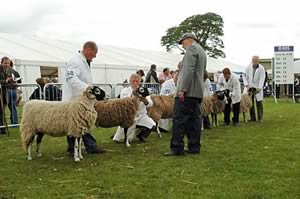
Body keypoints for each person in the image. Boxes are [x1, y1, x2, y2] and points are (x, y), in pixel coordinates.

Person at [164, 33, 206, 156]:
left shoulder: (191, 49)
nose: (182, 46)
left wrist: (182, 89)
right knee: (194, 121)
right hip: (197, 92)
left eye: (182, 42)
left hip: (187, 92)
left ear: (188, 40)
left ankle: (177, 147)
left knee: (179, 120)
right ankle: (194, 147)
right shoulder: (201, 51)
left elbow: (188, 71)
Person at [62, 41, 105, 156]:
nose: (95, 56)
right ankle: (73, 149)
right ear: (88, 49)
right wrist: (87, 88)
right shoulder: (75, 61)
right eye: (94, 53)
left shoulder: (84, 62)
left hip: (82, 100)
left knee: (83, 123)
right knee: (74, 123)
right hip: (73, 99)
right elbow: (71, 79)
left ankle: (90, 146)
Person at [113, 74, 155, 143]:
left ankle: (141, 136)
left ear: (139, 82)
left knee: (152, 124)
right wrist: (132, 96)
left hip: (141, 116)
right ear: (130, 81)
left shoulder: (143, 90)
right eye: (133, 81)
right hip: (129, 116)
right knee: (119, 140)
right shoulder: (125, 91)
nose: (135, 82)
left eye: (137, 81)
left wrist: (144, 100)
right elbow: (122, 102)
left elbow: (150, 104)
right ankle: (121, 135)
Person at [243, 55, 266, 122]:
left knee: (259, 102)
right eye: (253, 60)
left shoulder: (261, 68)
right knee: (250, 102)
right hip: (249, 86)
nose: (254, 61)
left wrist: (259, 87)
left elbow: (262, 78)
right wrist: (246, 84)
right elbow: (244, 76)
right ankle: (253, 118)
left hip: (257, 87)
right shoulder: (248, 67)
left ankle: (260, 118)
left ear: (258, 61)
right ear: (251, 60)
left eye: (256, 60)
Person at [6, 59, 21, 125]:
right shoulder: (15, 71)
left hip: (8, 89)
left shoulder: (6, 70)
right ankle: (14, 122)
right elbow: (20, 81)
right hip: (14, 90)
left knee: (7, 107)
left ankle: (13, 122)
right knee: (13, 107)